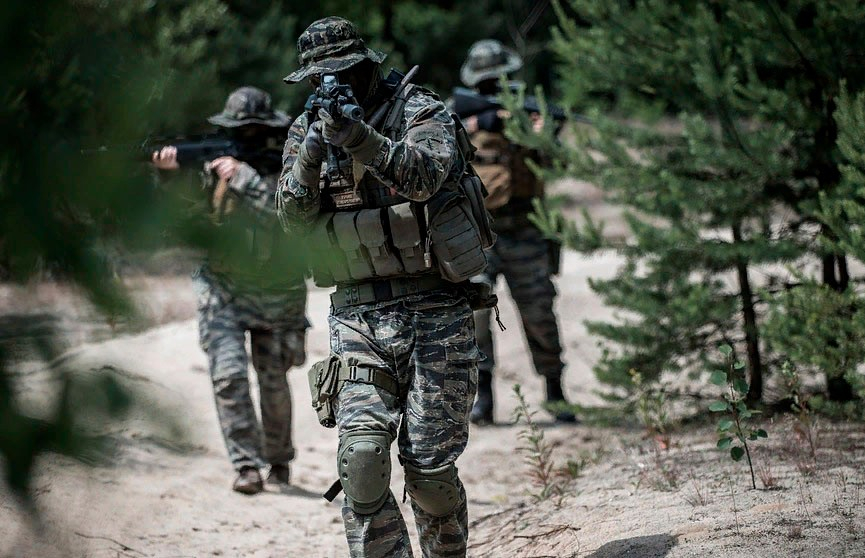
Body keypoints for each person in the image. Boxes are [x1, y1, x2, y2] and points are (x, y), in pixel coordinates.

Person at [277, 16, 487, 558]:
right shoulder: (307, 129)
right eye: (320, 78)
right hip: (357, 319)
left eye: (344, 73)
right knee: (363, 463)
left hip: (436, 311)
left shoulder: (419, 110)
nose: (333, 85)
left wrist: (360, 139)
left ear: (367, 66)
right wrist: (311, 155)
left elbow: (424, 178)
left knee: (430, 473)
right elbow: (291, 221)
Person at [152, 87, 308, 495]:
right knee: (228, 376)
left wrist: (244, 177)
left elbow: (287, 217)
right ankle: (246, 465)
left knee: (273, 381)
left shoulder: (292, 165)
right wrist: (169, 176)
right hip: (221, 287)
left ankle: (278, 460)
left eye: (254, 131)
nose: (247, 137)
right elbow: (184, 216)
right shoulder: (214, 167)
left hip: (276, 289)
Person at [458, 39, 576, 425]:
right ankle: (483, 396)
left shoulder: (529, 115)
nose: (494, 87)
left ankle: (555, 391)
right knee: (475, 313)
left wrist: (541, 134)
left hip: (527, 229)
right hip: (479, 233)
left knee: (539, 312)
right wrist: (481, 124)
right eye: (487, 83)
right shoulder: (459, 118)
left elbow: (559, 164)